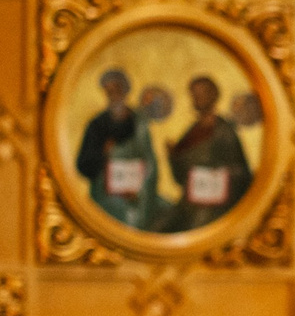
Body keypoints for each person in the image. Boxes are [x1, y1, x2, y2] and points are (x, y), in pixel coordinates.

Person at [73, 69, 162, 231]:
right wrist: (103, 153)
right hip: (106, 195)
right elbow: (84, 165)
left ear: (125, 90)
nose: (113, 95)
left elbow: (150, 161)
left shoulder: (139, 122)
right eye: (109, 91)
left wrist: (139, 190)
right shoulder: (97, 125)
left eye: (117, 90)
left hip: (138, 193)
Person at [164, 75, 253, 230]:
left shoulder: (224, 131)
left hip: (215, 206)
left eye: (202, 93)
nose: (197, 98)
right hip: (189, 202)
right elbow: (180, 178)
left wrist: (217, 175)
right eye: (194, 94)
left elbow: (242, 174)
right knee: (160, 227)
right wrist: (173, 156)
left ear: (213, 96)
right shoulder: (193, 131)